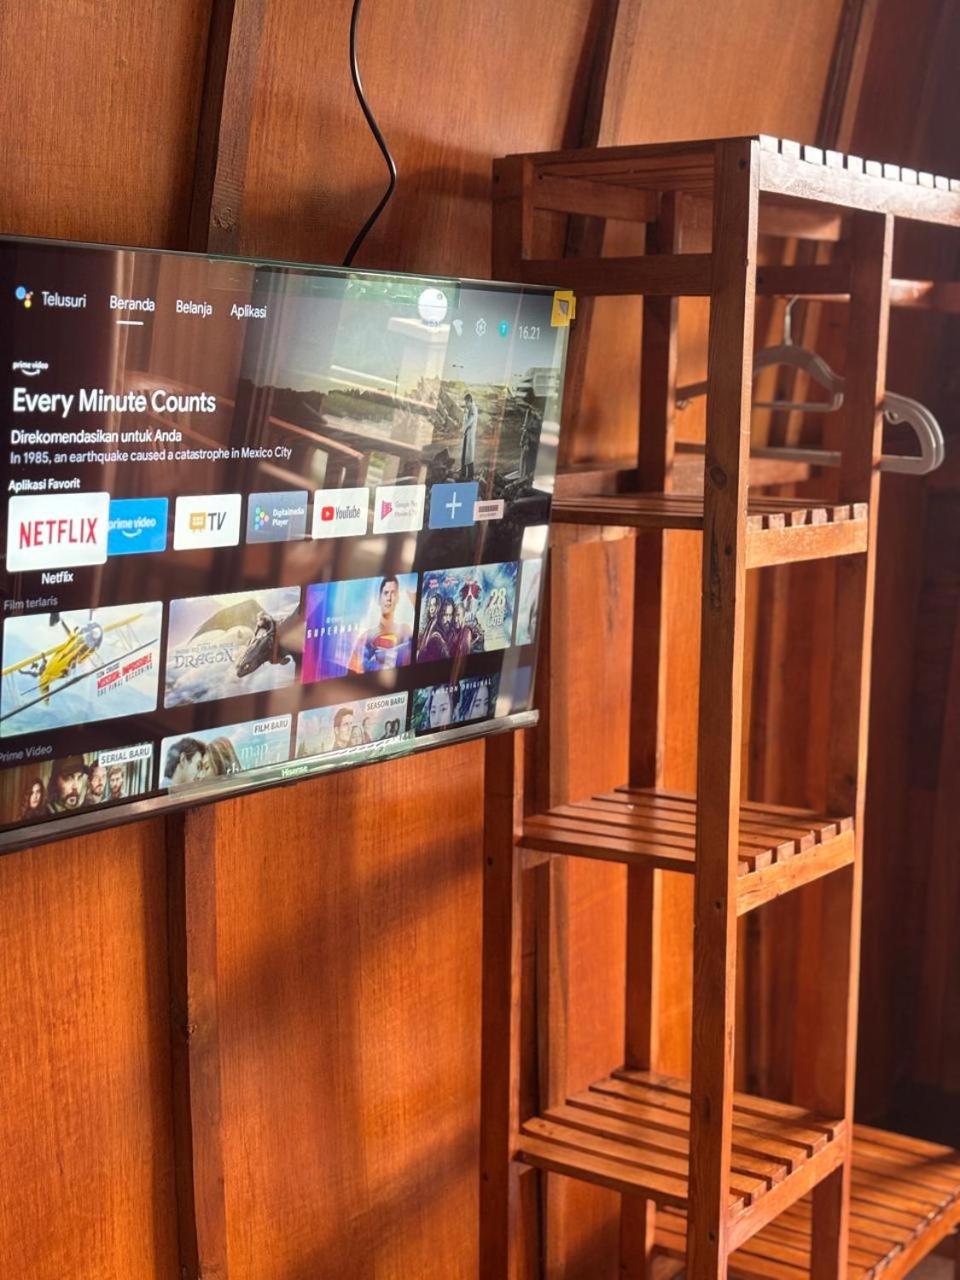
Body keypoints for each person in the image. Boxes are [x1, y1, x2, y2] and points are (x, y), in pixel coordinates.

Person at [352, 576, 413, 672]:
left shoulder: (405, 630)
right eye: (386, 593)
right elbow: (360, 668)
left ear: (397, 598)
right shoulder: (366, 637)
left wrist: (383, 656)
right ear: (379, 599)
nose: (389, 598)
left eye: (393, 593)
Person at [459, 392, 478, 480]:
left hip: (469, 435)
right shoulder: (469, 409)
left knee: (469, 457)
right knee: (464, 455)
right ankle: (463, 473)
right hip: (467, 435)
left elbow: (470, 420)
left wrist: (463, 429)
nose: (466, 404)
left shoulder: (473, 409)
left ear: (470, 400)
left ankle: (470, 475)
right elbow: (466, 420)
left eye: (466, 402)